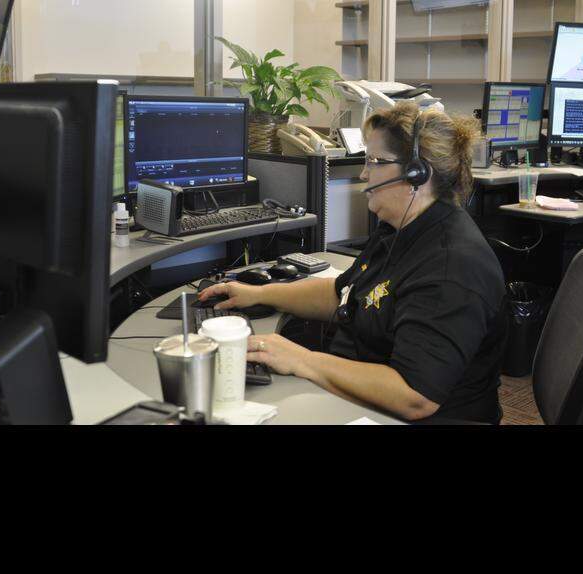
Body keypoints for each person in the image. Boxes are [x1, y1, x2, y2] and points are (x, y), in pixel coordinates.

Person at [198, 103, 507, 423]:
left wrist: (301, 360)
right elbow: (343, 295)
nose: (363, 173)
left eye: (374, 162)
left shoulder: (451, 266)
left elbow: (415, 396)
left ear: (417, 173)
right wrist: (261, 293)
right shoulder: (400, 231)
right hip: (364, 400)